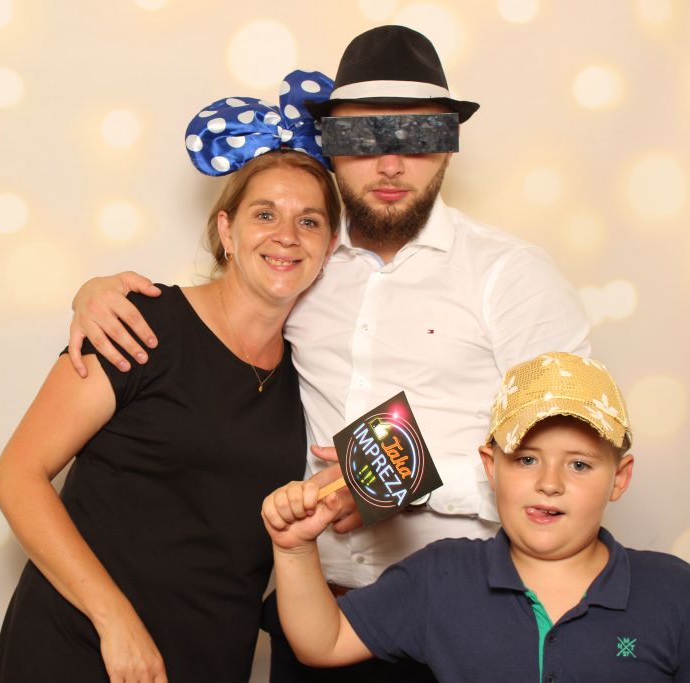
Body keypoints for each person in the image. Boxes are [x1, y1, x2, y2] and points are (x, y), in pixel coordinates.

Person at [66, 26, 591, 680]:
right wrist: (96, 292)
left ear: (449, 147)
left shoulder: (512, 277)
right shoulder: (299, 262)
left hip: (462, 626)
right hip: (311, 617)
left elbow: (577, 461)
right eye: (364, 137)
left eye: (419, 135)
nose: (391, 164)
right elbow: (213, 327)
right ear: (331, 147)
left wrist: (401, 481)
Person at [0, 72, 345, 683]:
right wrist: (114, 620)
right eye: (265, 214)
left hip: (209, 660)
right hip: (85, 649)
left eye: (309, 222)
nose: (286, 236)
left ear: (330, 245)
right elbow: (16, 477)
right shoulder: (140, 323)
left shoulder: (308, 376)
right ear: (227, 231)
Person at [262, 351, 690, 682]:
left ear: (620, 477)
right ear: (491, 467)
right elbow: (324, 642)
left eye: (579, 464)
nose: (550, 483)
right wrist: (295, 548)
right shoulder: (442, 575)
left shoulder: (673, 590)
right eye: (526, 459)